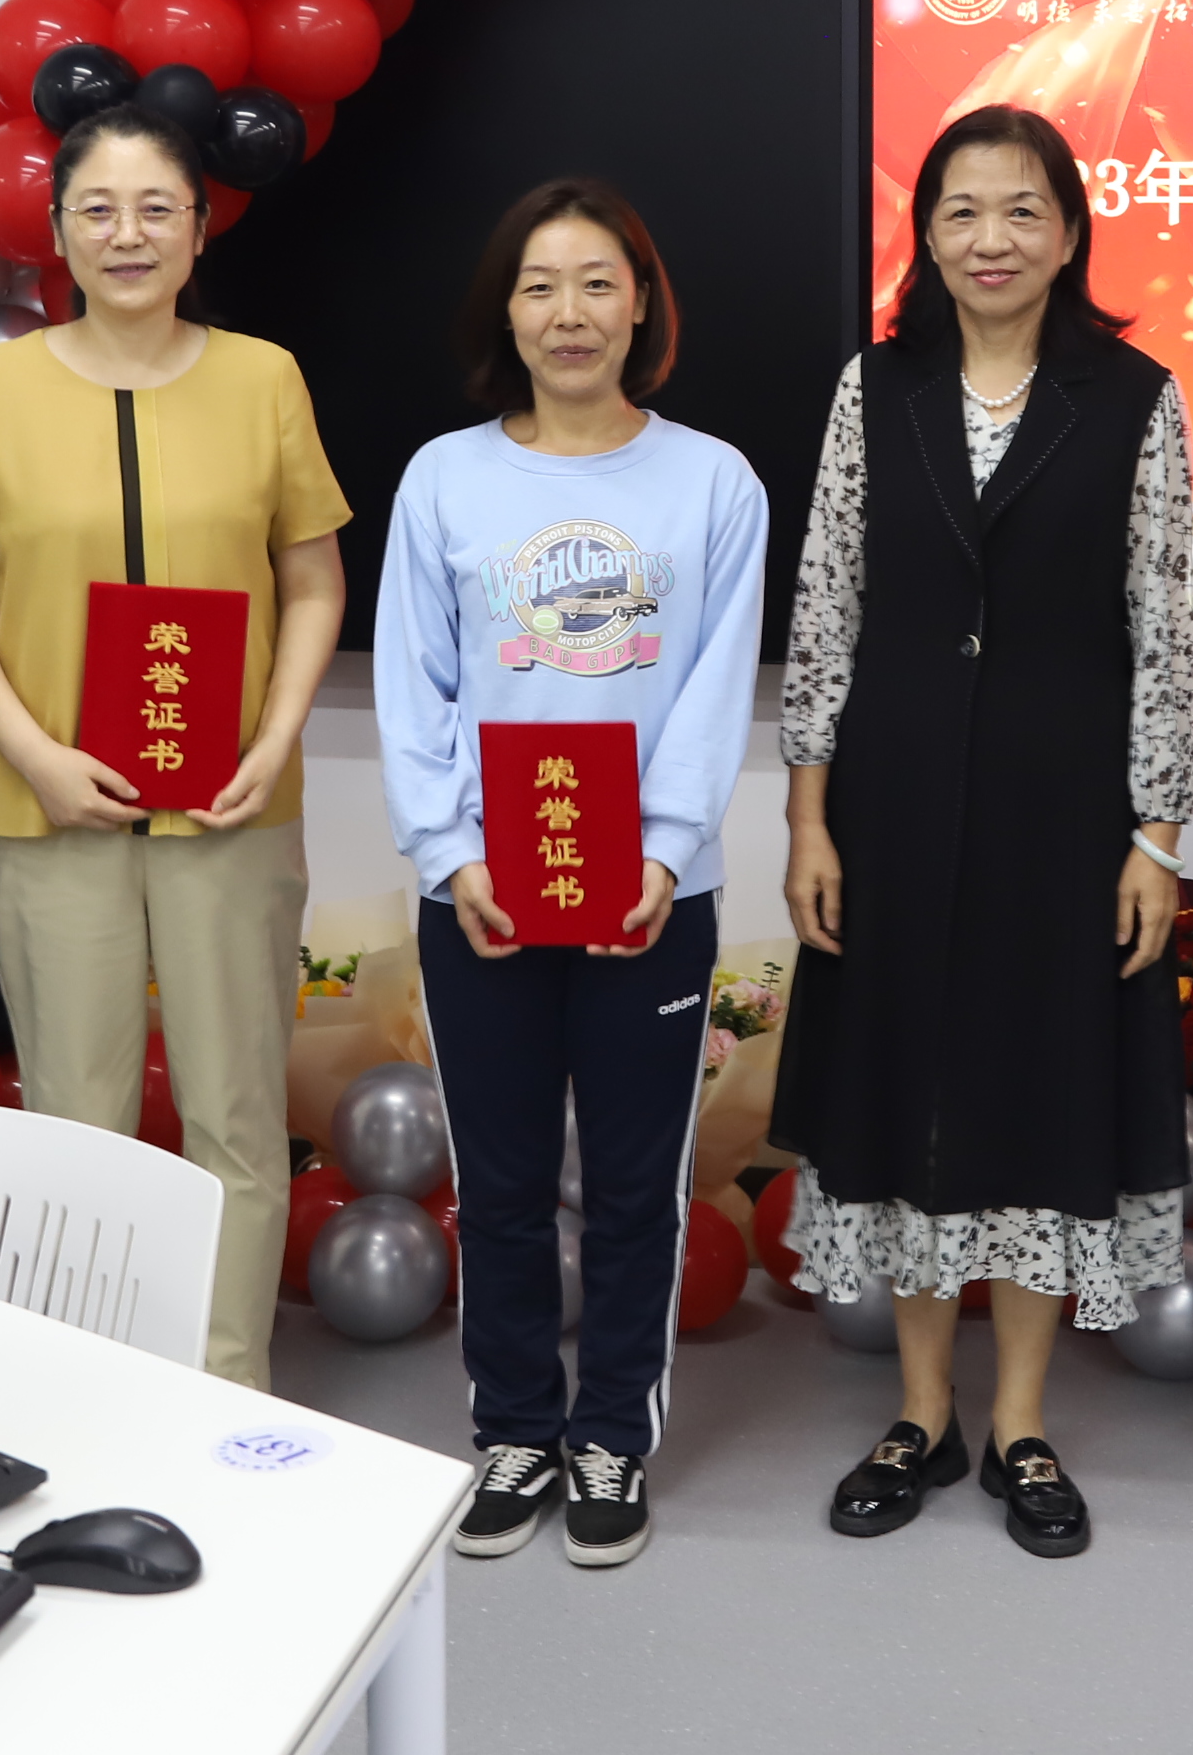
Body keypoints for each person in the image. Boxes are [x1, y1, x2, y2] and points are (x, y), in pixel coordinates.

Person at [772, 105, 1193, 1562]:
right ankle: (920, 1411)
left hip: (1061, 812)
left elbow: (1165, 632)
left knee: (1034, 1092)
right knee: (907, 1089)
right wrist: (807, 815)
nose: (990, 239)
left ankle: (1019, 1418)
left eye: (1021, 210)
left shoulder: (1134, 397)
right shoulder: (875, 386)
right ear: (926, 236)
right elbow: (824, 604)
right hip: (889, 804)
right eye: (959, 211)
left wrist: (1156, 834)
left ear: (1069, 232)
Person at [0, 105, 350, 1391]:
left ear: (200, 227)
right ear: (56, 232)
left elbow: (312, 580)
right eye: (97, 209)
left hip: (230, 806)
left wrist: (274, 736)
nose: (127, 233)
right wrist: (35, 753)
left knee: (236, 1116)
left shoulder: (263, 378)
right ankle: (90, 1395)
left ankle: (226, 1390)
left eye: (157, 207)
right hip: (55, 811)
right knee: (75, 1125)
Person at [377, 180, 766, 1571]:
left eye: (598, 281)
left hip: (653, 893)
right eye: (539, 285)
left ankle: (610, 1434)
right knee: (496, 1181)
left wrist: (662, 848)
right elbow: (413, 682)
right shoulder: (445, 477)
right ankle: (513, 1430)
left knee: (634, 1184)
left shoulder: (713, 481)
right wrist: (449, 853)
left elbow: (717, 685)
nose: (569, 312)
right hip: (483, 890)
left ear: (641, 302)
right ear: (507, 312)